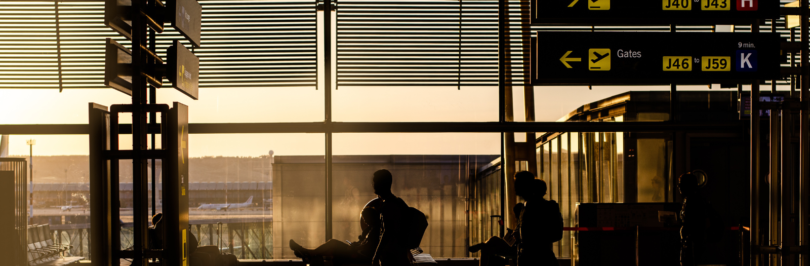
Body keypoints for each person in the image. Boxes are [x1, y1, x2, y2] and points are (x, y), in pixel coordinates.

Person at [468, 171, 562, 266]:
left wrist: (522, 237)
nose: (515, 187)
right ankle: (484, 245)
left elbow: (555, 234)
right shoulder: (525, 208)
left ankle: (484, 246)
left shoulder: (541, 207)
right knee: (493, 241)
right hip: (531, 256)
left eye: (517, 184)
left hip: (536, 257)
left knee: (492, 243)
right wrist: (517, 236)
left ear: (526, 185)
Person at [289, 198, 383, 266]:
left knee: (333, 243)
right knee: (333, 247)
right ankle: (309, 253)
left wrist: (356, 246)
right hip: (359, 253)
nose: (365, 222)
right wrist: (357, 244)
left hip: (359, 255)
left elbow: (369, 247)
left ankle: (308, 252)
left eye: (366, 219)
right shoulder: (373, 230)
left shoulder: (375, 231)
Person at [372, 169, 411, 266]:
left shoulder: (388, 206)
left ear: (382, 184)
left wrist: (376, 256)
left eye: (375, 182)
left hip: (391, 258)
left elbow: (387, 232)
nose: (373, 185)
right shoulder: (398, 202)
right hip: (400, 255)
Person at [678, 173, 709, 266]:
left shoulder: (691, 201)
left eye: (681, 183)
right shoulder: (697, 199)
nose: (679, 186)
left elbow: (690, 222)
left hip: (691, 242)